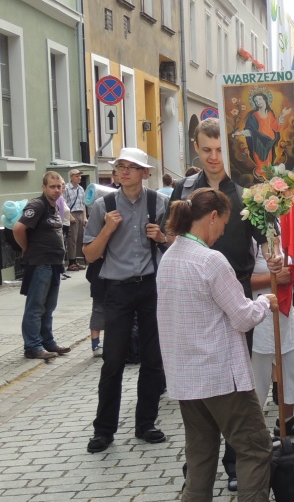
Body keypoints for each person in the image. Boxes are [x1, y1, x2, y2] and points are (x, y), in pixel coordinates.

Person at [169, 117, 281, 490]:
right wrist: (266, 303)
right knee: (237, 417)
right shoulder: (186, 191)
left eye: (219, 150)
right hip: (206, 295)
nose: (214, 157)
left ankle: (233, 465)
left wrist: (273, 254)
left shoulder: (246, 189)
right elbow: (174, 237)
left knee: (208, 439)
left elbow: (264, 234)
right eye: (207, 150)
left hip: (234, 288)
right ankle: (238, 466)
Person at [156, 187, 277, 501]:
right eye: (222, 225)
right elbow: (241, 317)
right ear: (211, 218)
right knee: (254, 446)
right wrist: (265, 303)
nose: (221, 233)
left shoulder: (169, 257)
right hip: (222, 375)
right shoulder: (211, 261)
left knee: (200, 452)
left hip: (186, 377)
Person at [83, 147, 170, 453]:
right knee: (113, 361)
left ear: (145, 173)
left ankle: (146, 423)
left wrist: (161, 238)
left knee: (152, 359)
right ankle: (103, 430)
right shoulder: (102, 205)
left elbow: (175, 245)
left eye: (132, 167)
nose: (124, 171)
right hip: (117, 289)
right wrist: (108, 228)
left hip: (150, 286)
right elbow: (90, 254)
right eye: (120, 166)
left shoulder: (159, 202)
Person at [249, 249, 294, 436]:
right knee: (258, 376)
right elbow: (236, 279)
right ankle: (255, 431)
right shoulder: (243, 234)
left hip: (284, 312)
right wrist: (272, 278)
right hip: (258, 315)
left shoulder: (276, 225)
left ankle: (287, 420)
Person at [13, 171, 72, 360]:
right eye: (53, 187)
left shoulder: (54, 207)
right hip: (40, 264)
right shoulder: (37, 205)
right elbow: (18, 228)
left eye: (60, 186)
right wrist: (26, 248)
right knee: (36, 307)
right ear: (44, 187)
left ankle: (48, 342)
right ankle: (32, 346)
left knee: (49, 307)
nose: (57, 190)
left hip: (54, 264)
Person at [233, 90, 292, 171]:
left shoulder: (270, 113)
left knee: (268, 165)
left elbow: (275, 127)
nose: (258, 102)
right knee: (260, 166)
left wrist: (282, 115)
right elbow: (250, 130)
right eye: (256, 101)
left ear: (265, 100)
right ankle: (262, 178)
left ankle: (268, 180)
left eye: (260, 99)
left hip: (269, 144)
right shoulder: (253, 116)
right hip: (258, 143)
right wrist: (240, 133)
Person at [64, 169, 87, 271]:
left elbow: (83, 204)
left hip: (80, 213)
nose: (79, 177)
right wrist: (69, 216)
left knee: (79, 238)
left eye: (80, 176)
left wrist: (85, 217)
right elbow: (63, 203)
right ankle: (71, 262)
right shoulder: (66, 188)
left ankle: (76, 260)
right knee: (72, 238)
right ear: (71, 177)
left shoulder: (81, 189)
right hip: (72, 213)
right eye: (77, 176)